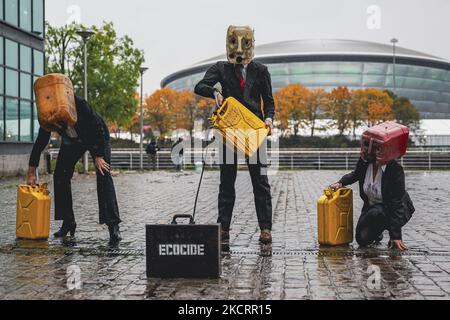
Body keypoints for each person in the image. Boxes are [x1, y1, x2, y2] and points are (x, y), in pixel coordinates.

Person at [194, 26, 276, 244]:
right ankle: (224, 228)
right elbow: (199, 86)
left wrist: (269, 118)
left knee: (260, 181)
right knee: (226, 181)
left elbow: (268, 101)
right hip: (228, 132)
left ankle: (265, 228)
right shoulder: (221, 68)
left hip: (253, 132)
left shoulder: (261, 70)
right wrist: (215, 92)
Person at [28, 95, 122, 246]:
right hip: (73, 140)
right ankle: (68, 221)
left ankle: (113, 226)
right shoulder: (48, 113)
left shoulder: (79, 104)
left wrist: (98, 155)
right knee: (60, 175)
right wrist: (31, 170)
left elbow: (96, 126)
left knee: (103, 172)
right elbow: (41, 141)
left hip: (96, 136)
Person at [329, 137, 415, 251]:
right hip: (371, 208)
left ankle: (388, 226)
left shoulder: (395, 170)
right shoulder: (365, 163)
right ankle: (378, 232)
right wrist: (340, 183)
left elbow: (397, 204)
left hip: (393, 209)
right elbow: (355, 174)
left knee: (377, 212)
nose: (363, 152)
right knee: (362, 239)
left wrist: (395, 236)